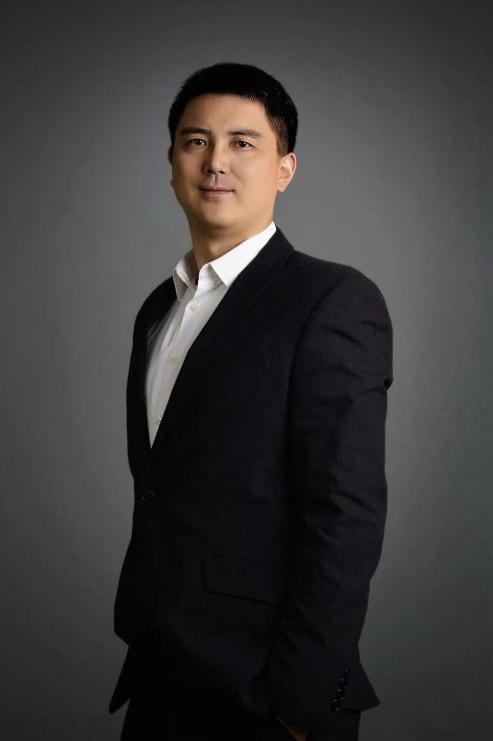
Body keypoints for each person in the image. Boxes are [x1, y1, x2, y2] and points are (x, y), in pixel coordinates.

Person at [108, 61, 393, 741]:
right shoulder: (158, 308)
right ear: (172, 163)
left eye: (243, 142)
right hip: (160, 673)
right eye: (196, 141)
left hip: (267, 692)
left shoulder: (330, 300)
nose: (216, 162)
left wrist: (297, 703)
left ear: (284, 169)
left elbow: (345, 513)